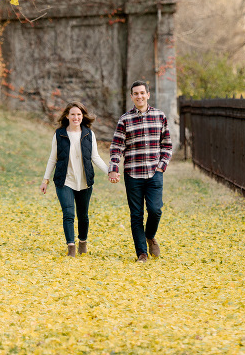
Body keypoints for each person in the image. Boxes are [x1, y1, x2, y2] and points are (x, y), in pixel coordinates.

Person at [108, 80, 172, 262]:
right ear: (132, 97)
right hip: (132, 174)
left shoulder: (160, 116)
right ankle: (141, 253)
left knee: (155, 210)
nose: (139, 96)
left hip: (154, 173)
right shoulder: (125, 120)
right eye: (136, 94)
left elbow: (167, 145)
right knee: (136, 215)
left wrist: (162, 166)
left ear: (148, 95)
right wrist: (113, 169)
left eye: (142, 93)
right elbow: (116, 147)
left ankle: (150, 235)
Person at [41, 102, 109, 257]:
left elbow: (95, 157)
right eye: (73, 114)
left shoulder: (88, 134)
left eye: (79, 114)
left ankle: (82, 242)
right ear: (67, 116)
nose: (76, 117)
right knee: (68, 213)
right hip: (65, 180)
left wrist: (109, 172)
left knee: (83, 215)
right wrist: (45, 180)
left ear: (82, 116)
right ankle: (71, 247)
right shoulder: (59, 134)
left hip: (84, 181)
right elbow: (53, 158)